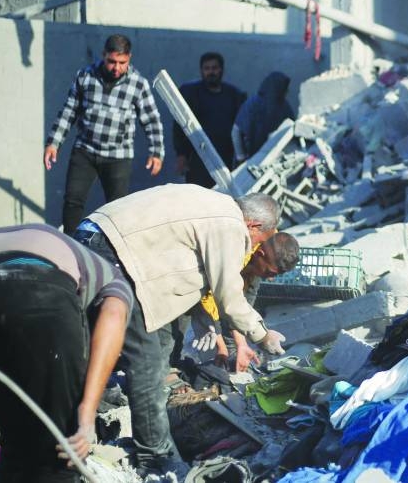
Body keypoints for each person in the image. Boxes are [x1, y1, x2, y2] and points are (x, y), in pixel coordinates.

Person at [71, 185, 287, 478]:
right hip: (115, 253)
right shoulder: (231, 226)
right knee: (145, 365)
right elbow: (229, 296)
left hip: (94, 235)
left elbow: (181, 272)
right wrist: (263, 335)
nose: (253, 249)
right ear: (254, 224)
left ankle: (101, 401)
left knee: (113, 341)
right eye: (259, 240)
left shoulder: (212, 204)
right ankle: (156, 457)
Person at [0, 223, 132, 482]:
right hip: (36, 288)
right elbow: (114, 313)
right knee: (54, 458)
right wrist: (86, 411)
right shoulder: (113, 279)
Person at [44, 34, 164, 234]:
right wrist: (53, 143)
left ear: (129, 59)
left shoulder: (138, 84)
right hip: (85, 150)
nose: (116, 68)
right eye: (111, 62)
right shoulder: (85, 76)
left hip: (118, 156)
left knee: (117, 209)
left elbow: (151, 119)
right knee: (73, 200)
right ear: (103, 55)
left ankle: (115, 254)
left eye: (122, 63)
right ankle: (71, 246)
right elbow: (68, 111)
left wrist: (156, 152)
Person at [191, 232, 300, 372]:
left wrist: (241, 344)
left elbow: (243, 306)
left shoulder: (266, 257)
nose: (271, 279)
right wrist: (221, 347)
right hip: (197, 291)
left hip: (228, 291)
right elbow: (211, 301)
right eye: (270, 273)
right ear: (260, 255)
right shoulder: (234, 254)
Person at [172, 52, 246, 187]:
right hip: (197, 157)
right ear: (201, 70)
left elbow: (240, 128)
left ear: (221, 70)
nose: (211, 72)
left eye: (214, 68)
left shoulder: (234, 95)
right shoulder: (191, 93)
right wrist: (181, 155)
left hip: (226, 157)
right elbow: (179, 125)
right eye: (207, 68)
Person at [232, 71, 295, 164]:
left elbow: (291, 129)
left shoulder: (284, 106)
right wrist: (241, 157)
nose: (287, 91)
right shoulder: (253, 104)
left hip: (271, 159)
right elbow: (236, 130)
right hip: (247, 157)